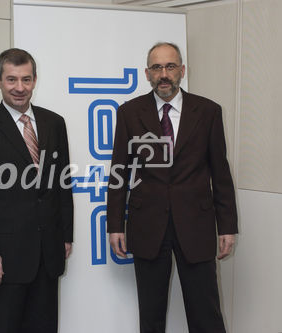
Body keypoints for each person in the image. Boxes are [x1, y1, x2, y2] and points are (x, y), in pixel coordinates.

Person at [107, 42, 238, 333]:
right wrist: (115, 224)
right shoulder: (129, 112)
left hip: (196, 224)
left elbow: (220, 171)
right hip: (147, 225)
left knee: (206, 313)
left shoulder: (208, 111)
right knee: (151, 314)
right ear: (147, 73)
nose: (163, 74)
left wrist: (227, 226)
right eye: (156, 68)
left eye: (169, 66)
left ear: (182, 70)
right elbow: (120, 171)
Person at [0, 48, 73, 333]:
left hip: (47, 253)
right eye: (12, 80)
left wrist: (66, 236)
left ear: (35, 80)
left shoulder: (54, 123)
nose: (20, 88)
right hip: (3, 259)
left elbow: (62, 185)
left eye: (26, 79)